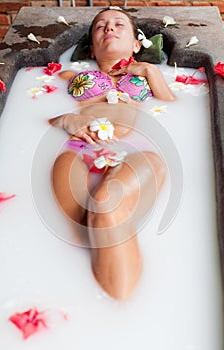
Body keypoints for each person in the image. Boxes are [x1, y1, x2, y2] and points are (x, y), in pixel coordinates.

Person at [50, 7, 175, 300]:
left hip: (135, 150)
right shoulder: (70, 75)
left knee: (105, 208)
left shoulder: (148, 80)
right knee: (86, 233)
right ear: (92, 49)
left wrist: (149, 69)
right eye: (100, 27)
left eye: (119, 24)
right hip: (77, 151)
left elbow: (174, 104)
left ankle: (122, 311)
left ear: (135, 44)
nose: (109, 28)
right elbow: (46, 113)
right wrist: (66, 119)